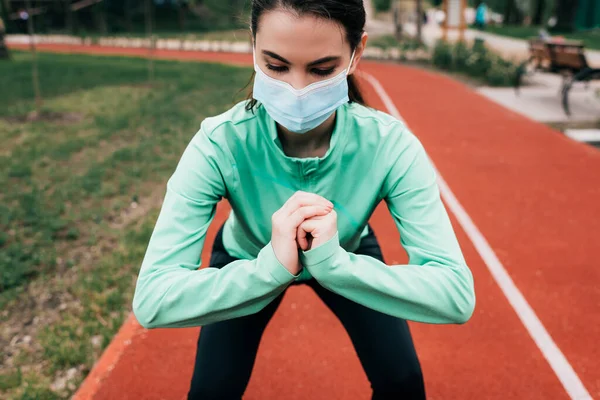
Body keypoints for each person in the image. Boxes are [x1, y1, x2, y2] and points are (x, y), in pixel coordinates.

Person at [132, 0, 476, 399]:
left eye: (322, 69)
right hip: (248, 256)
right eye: (276, 66)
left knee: (402, 383)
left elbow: (455, 294)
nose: (296, 90)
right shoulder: (219, 142)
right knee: (212, 390)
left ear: (356, 53)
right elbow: (154, 299)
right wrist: (269, 269)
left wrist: (336, 266)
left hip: (344, 252)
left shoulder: (389, 146)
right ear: (253, 45)